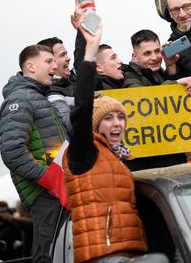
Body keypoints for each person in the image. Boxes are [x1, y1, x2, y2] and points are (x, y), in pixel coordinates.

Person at [64, 16, 148, 263]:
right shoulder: (84, 152)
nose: (117, 124)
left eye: (120, 118)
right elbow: (82, 106)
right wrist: (88, 48)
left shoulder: (121, 156)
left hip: (129, 250)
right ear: (95, 124)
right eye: (109, 118)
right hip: (103, 254)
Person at [0, 44, 69, 263]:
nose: (54, 66)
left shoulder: (37, 97)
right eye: (48, 61)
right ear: (30, 66)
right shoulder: (20, 99)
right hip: (44, 193)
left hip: (55, 189)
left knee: (59, 251)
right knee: (48, 253)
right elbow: (12, 151)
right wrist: (49, 178)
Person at [122, 29, 191, 170]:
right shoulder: (130, 76)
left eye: (157, 51)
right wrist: (177, 83)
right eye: (147, 53)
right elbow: (146, 100)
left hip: (169, 152)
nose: (155, 57)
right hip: (150, 161)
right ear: (135, 56)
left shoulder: (157, 72)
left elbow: (173, 100)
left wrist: (170, 65)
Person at [37, 36, 76, 128]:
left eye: (66, 54)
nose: (68, 58)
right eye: (62, 55)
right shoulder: (52, 92)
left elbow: (83, 55)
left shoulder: (74, 77)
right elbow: (68, 124)